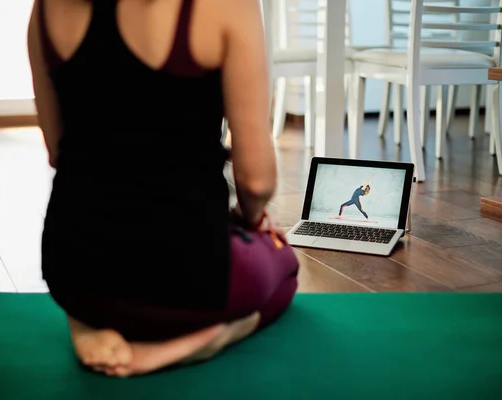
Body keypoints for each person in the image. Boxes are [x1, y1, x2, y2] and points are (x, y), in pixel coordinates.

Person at [27, 0, 299, 378]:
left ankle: (88, 319)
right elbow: (256, 181)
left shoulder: (46, 8)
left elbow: (57, 152)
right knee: (284, 265)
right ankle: (196, 341)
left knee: (108, 279)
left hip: (71, 270)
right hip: (186, 277)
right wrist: (251, 221)